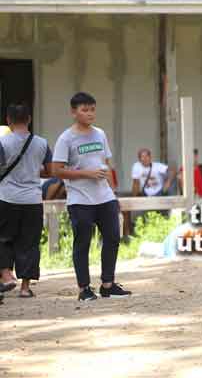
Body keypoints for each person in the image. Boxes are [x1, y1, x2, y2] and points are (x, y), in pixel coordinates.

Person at [52, 92, 131, 301]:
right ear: (73, 112)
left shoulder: (100, 134)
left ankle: (108, 284)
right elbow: (56, 170)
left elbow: (108, 164)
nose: (89, 114)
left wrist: (114, 195)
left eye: (92, 109)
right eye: (84, 110)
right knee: (83, 242)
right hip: (80, 199)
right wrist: (86, 174)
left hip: (104, 197)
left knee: (113, 237)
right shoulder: (66, 138)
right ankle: (84, 288)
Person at [0, 104, 52, 298]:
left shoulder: (3, 142)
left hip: (7, 198)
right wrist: (31, 170)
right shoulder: (42, 143)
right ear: (29, 119)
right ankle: (25, 288)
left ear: (8, 120)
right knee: (29, 243)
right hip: (32, 199)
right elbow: (50, 171)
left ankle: (7, 275)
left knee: (3, 238)